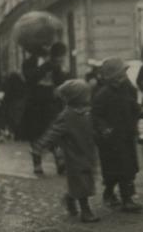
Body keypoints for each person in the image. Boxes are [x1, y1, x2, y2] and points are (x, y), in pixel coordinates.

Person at [33, 79, 100, 223]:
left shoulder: (88, 112)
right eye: (85, 94)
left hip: (88, 151)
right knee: (81, 182)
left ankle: (70, 198)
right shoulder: (67, 115)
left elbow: (94, 128)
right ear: (78, 97)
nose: (89, 96)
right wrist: (40, 147)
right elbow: (53, 132)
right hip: (74, 155)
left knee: (87, 180)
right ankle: (85, 210)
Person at [92, 57, 143, 212]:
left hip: (126, 134)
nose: (123, 78)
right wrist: (104, 128)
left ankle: (113, 194)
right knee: (117, 169)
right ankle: (126, 200)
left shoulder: (128, 89)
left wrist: (139, 110)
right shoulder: (102, 94)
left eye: (124, 74)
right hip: (111, 140)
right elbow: (96, 115)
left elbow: (132, 104)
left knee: (127, 168)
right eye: (120, 75)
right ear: (110, 78)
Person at [21, 41, 68, 175]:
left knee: (54, 130)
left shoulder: (55, 62)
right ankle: (37, 163)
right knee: (35, 133)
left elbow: (60, 81)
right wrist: (46, 66)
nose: (47, 47)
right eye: (44, 45)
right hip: (35, 103)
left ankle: (60, 161)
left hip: (51, 102)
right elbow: (30, 78)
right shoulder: (28, 62)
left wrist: (58, 68)